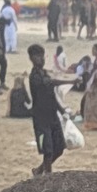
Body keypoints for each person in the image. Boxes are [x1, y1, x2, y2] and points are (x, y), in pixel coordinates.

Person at [27, 43, 73, 176]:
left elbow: (52, 96)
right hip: (41, 118)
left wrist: (62, 110)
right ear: (31, 58)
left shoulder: (44, 73)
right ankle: (48, 176)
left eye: (42, 56)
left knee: (59, 148)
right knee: (48, 150)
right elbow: (51, 83)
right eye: (37, 56)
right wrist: (71, 81)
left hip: (52, 115)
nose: (41, 59)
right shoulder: (34, 77)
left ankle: (39, 170)